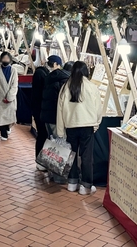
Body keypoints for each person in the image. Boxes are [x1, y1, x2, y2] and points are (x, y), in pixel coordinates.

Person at [56, 61, 103, 195]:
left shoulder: (65, 87)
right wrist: (96, 124)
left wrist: (60, 131)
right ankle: (86, 186)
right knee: (87, 157)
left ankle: (72, 182)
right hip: (87, 126)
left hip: (70, 126)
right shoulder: (91, 87)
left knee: (71, 155)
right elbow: (98, 109)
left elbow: (59, 111)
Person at [40, 56, 69, 138]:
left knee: (51, 139)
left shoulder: (47, 77)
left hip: (47, 114)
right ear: (56, 64)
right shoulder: (64, 80)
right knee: (60, 142)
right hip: (57, 116)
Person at [31, 61, 50, 168]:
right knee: (43, 135)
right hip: (41, 112)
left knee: (42, 135)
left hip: (38, 111)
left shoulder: (39, 74)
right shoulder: (41, 75)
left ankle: (40, 161)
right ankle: (40, 161)